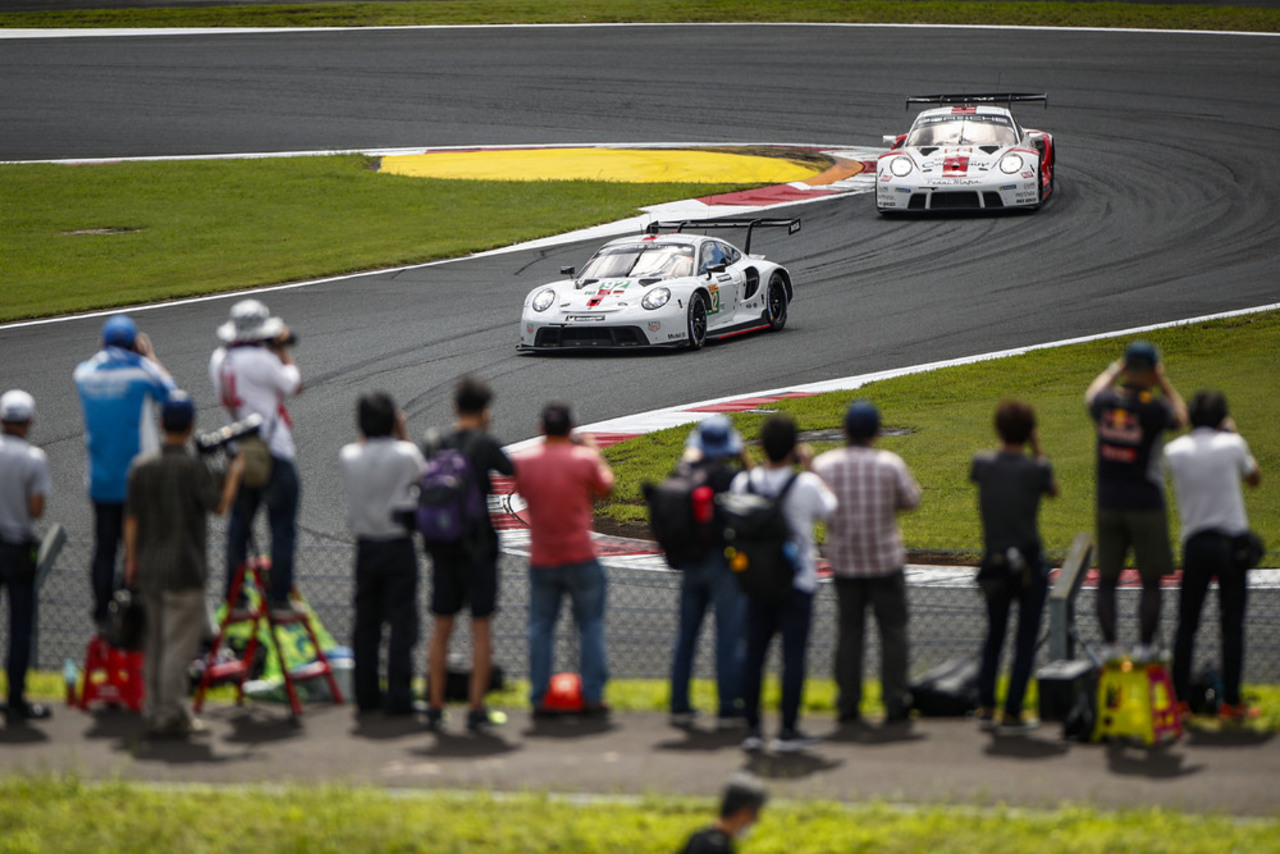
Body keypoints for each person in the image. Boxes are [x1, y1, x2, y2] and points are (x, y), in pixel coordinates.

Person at [124, 391, 242, 737]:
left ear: (161, 425)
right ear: (190, 426)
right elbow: (218, 506)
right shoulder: (193, 468)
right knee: (180, 647)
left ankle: (155, 708)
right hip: (185, 569)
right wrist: (234, 474)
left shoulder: (141, 467)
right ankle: (169, 713)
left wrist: (132, 560)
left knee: (156, 642)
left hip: (149, 567)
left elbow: (131, 520)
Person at [813, 400, 921, 726]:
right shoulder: (890, 464)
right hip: (884, 561)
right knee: (893, 633)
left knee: (850, 633)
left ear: (844, 431)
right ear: (876, 433)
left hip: (846, 563)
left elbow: (818, 509)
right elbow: (912, 500)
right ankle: (895, 699)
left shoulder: (825, 465)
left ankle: (848, 702)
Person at [735, 414, 837, 753]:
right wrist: (811, 467)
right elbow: (834, 511)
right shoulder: (806, 484)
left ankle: (751, 729)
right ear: (794, 449)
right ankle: (788, 730)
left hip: (754, 582)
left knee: (754, 655)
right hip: (797, 582)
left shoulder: (743, 484)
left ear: (761, 446)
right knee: (793, 658)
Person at [421, 377, 515, 732]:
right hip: (478, 549)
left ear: (456, 408)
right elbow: (512, 470)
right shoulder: (485, 444)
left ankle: (434, 706)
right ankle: (476, 709)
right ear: (485, 410)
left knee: (441, 627)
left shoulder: (436, 443)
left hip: (442, 548)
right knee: (480, 629)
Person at [1085, 340, 1187, 659]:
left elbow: (1092, 394)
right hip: (1145, 503)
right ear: (1153, 370)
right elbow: (1181, 417)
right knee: (1152, 579)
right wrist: (1164, 382)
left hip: (1109, 502)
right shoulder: (1153, 407)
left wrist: (1115, 369)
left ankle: (1111, 646)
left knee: (1107, 580)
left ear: (1128, 368)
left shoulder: (1105, 403)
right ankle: (1145, 646)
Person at [1165, 390, 1262, 723]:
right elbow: (1254, 478)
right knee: (1231, 625)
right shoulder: (1232, 444)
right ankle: (1231, 703)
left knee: (1186, 625)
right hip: (1232, 543)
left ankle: (1179, 702)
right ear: (1222, 418)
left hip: (1196, 543)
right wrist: (1233, 434)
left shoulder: (1174, 451)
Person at [513, 402, 615, 716]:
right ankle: (594, 694)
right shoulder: (584, 458)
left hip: (543, 557)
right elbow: (606, 487)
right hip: (580, 555)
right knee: (591, 625)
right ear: (570, 429)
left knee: (541, 627)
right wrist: (594, 451)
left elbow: (523, 494)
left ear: (541, 428)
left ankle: (539, 695)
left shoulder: (524, 461)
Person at [74, 314, 175, 631]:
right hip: (138, 479)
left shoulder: (84, 373)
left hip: (101, 477)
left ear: (102, 342)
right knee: (142, 545)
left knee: (105, 545)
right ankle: (133, 604)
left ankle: (102, 610)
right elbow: (172, 397)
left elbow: (98, 365)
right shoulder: (142, 371)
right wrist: (150, 356)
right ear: (134, 343)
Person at [209, 299, 302, 613]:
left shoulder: (219, 360)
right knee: (282, 528)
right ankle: (278, 598)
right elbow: (294, 384)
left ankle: (234, 597)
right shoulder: (264, 360)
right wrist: (281, 350)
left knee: (240, 526)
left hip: (240, 456)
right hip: (273, 451)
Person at [970, 401, 1059, 732]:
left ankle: (984, 705)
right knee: (1025, 638)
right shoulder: (1037, 469)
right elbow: (1052, 491)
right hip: (1029, 560)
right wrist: (1037, 448)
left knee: (994, 635)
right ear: (1029, 432)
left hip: (994, 559)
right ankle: (1012, 710)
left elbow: (992, 468)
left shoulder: (982, 464)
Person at [339, 392, 425, 718]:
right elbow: (423, 477)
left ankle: (366, 695)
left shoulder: (349, 455)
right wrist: (401, 433)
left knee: (366, 622)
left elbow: (363, 444)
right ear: (394, 420)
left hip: (366, 547)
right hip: (398, 545)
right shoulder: (406, 453)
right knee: (402, 622)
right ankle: (399, 695)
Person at [668, 415, 751, 730]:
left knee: (686, 635)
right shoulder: (732, 479)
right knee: (728, 635)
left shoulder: (686, 474)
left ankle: (679, 705)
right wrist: (743, 454)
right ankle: (728, 706)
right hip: (722, 561)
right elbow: (759, 492)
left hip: (691, 562)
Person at [0, 391, 53, 723]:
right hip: (17, 545)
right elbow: (36, 509)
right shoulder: (34, 458)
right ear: (29, 421)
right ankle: (15, 699)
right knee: (20, 627)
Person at [676, 774, 767, 854]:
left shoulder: (697, 837)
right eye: (754, 814)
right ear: (743, 813)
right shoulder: (718, 849)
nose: (755, 820)